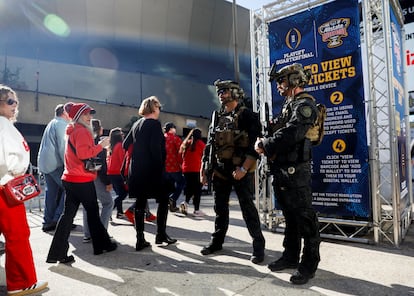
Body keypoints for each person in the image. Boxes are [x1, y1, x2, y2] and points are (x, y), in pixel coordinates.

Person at [255, 62, 321, 285]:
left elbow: (293, 133)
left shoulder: (305, 105)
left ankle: (309, 264)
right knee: (290, 218)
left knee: (305, 219)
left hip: (297, 172)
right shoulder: (288, 105)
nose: (278, 86)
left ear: (294, 80)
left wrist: (266, 143)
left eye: (281, 81)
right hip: (282, 169)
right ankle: (290, 256)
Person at [200, 79, 265, 264]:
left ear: (235, 93)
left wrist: (244, 168)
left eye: (225, 91)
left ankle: (258, 245)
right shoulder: (216, 116)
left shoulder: (248, 116)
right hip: (220, 170)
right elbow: (210, 144)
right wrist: (204, 167)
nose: (221, 94)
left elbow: (256, 146)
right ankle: (217, 242)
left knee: (248, 210)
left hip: (240, 170)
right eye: (219, 92)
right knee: (220, 209)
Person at [46, 103, 117, 263]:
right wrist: (101, 145)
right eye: (86, 114)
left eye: (90, 114)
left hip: (69, 179)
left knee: (67, 217)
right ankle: (101, 245)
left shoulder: (71, 131)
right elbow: (84, 154)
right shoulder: (82, 131)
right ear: (78, 116)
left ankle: (58, 253)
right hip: (82, 179)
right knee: (92, 213)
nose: (89, 117)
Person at [0, 84, 48, 295]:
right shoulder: (2, 125)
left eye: (16, 101)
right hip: (5, 187)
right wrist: (17, 172)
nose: (15, 105)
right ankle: (20, 283)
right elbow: (8, 159)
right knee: (17, 235)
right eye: (10, 101)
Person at [123, 96, 177, 251]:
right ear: (154, 108)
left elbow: (126, 144)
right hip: (152, 170)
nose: (159, 110)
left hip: (137, 171)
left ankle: (140, 239)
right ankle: (161, 234)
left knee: (140, 203)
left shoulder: (137, 124)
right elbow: (155, 150)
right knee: (163, 200)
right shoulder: (154, 124)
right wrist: (161, 170)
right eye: (159, 107)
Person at [107, 127, 156, 223]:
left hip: (112, 173)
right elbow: (123, 161)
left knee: (121, 194)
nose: (123, 135)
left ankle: (120, 212)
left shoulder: (112, 146)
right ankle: (111, 210)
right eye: (121, 134)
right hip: (118, 173)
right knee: (125, 194)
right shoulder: (120, 146)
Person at [37, 103, 71, 232]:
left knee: (50, 194)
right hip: (56, 164)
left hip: (45, 164)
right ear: (64, 113)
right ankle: (58, 219)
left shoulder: (52, 123)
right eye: (69, 112)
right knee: (70, 190)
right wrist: (68, 165)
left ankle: (47, 221)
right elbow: (63, 147)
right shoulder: (62, 124)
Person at [82, 119, 114, 243]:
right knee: (108, 203)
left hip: (85, 177)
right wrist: (107, 182)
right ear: (99, 130)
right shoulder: (100, 145)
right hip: (97, 177)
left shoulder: (86, 142)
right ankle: (102, 232)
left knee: (88, 205)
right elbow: (102, 167)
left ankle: (87, 234)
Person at [179, 128, 206, 216]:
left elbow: (181, 156)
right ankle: (196, 210)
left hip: (186, 169)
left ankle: (186, 203)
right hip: (196, 169)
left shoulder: (186, 143)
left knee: (190, 188)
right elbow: (205, 157)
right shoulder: (201, 144)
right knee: (197, 190)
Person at [164, 122, 185, 212]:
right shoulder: (175, 139)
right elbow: (180, 153)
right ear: (171, 129)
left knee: (170, 186)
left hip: (164, 167)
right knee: (181, 183)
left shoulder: (161, 138)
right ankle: (173, 198)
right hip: (174, 166)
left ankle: (171, 205)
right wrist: (181, 165)